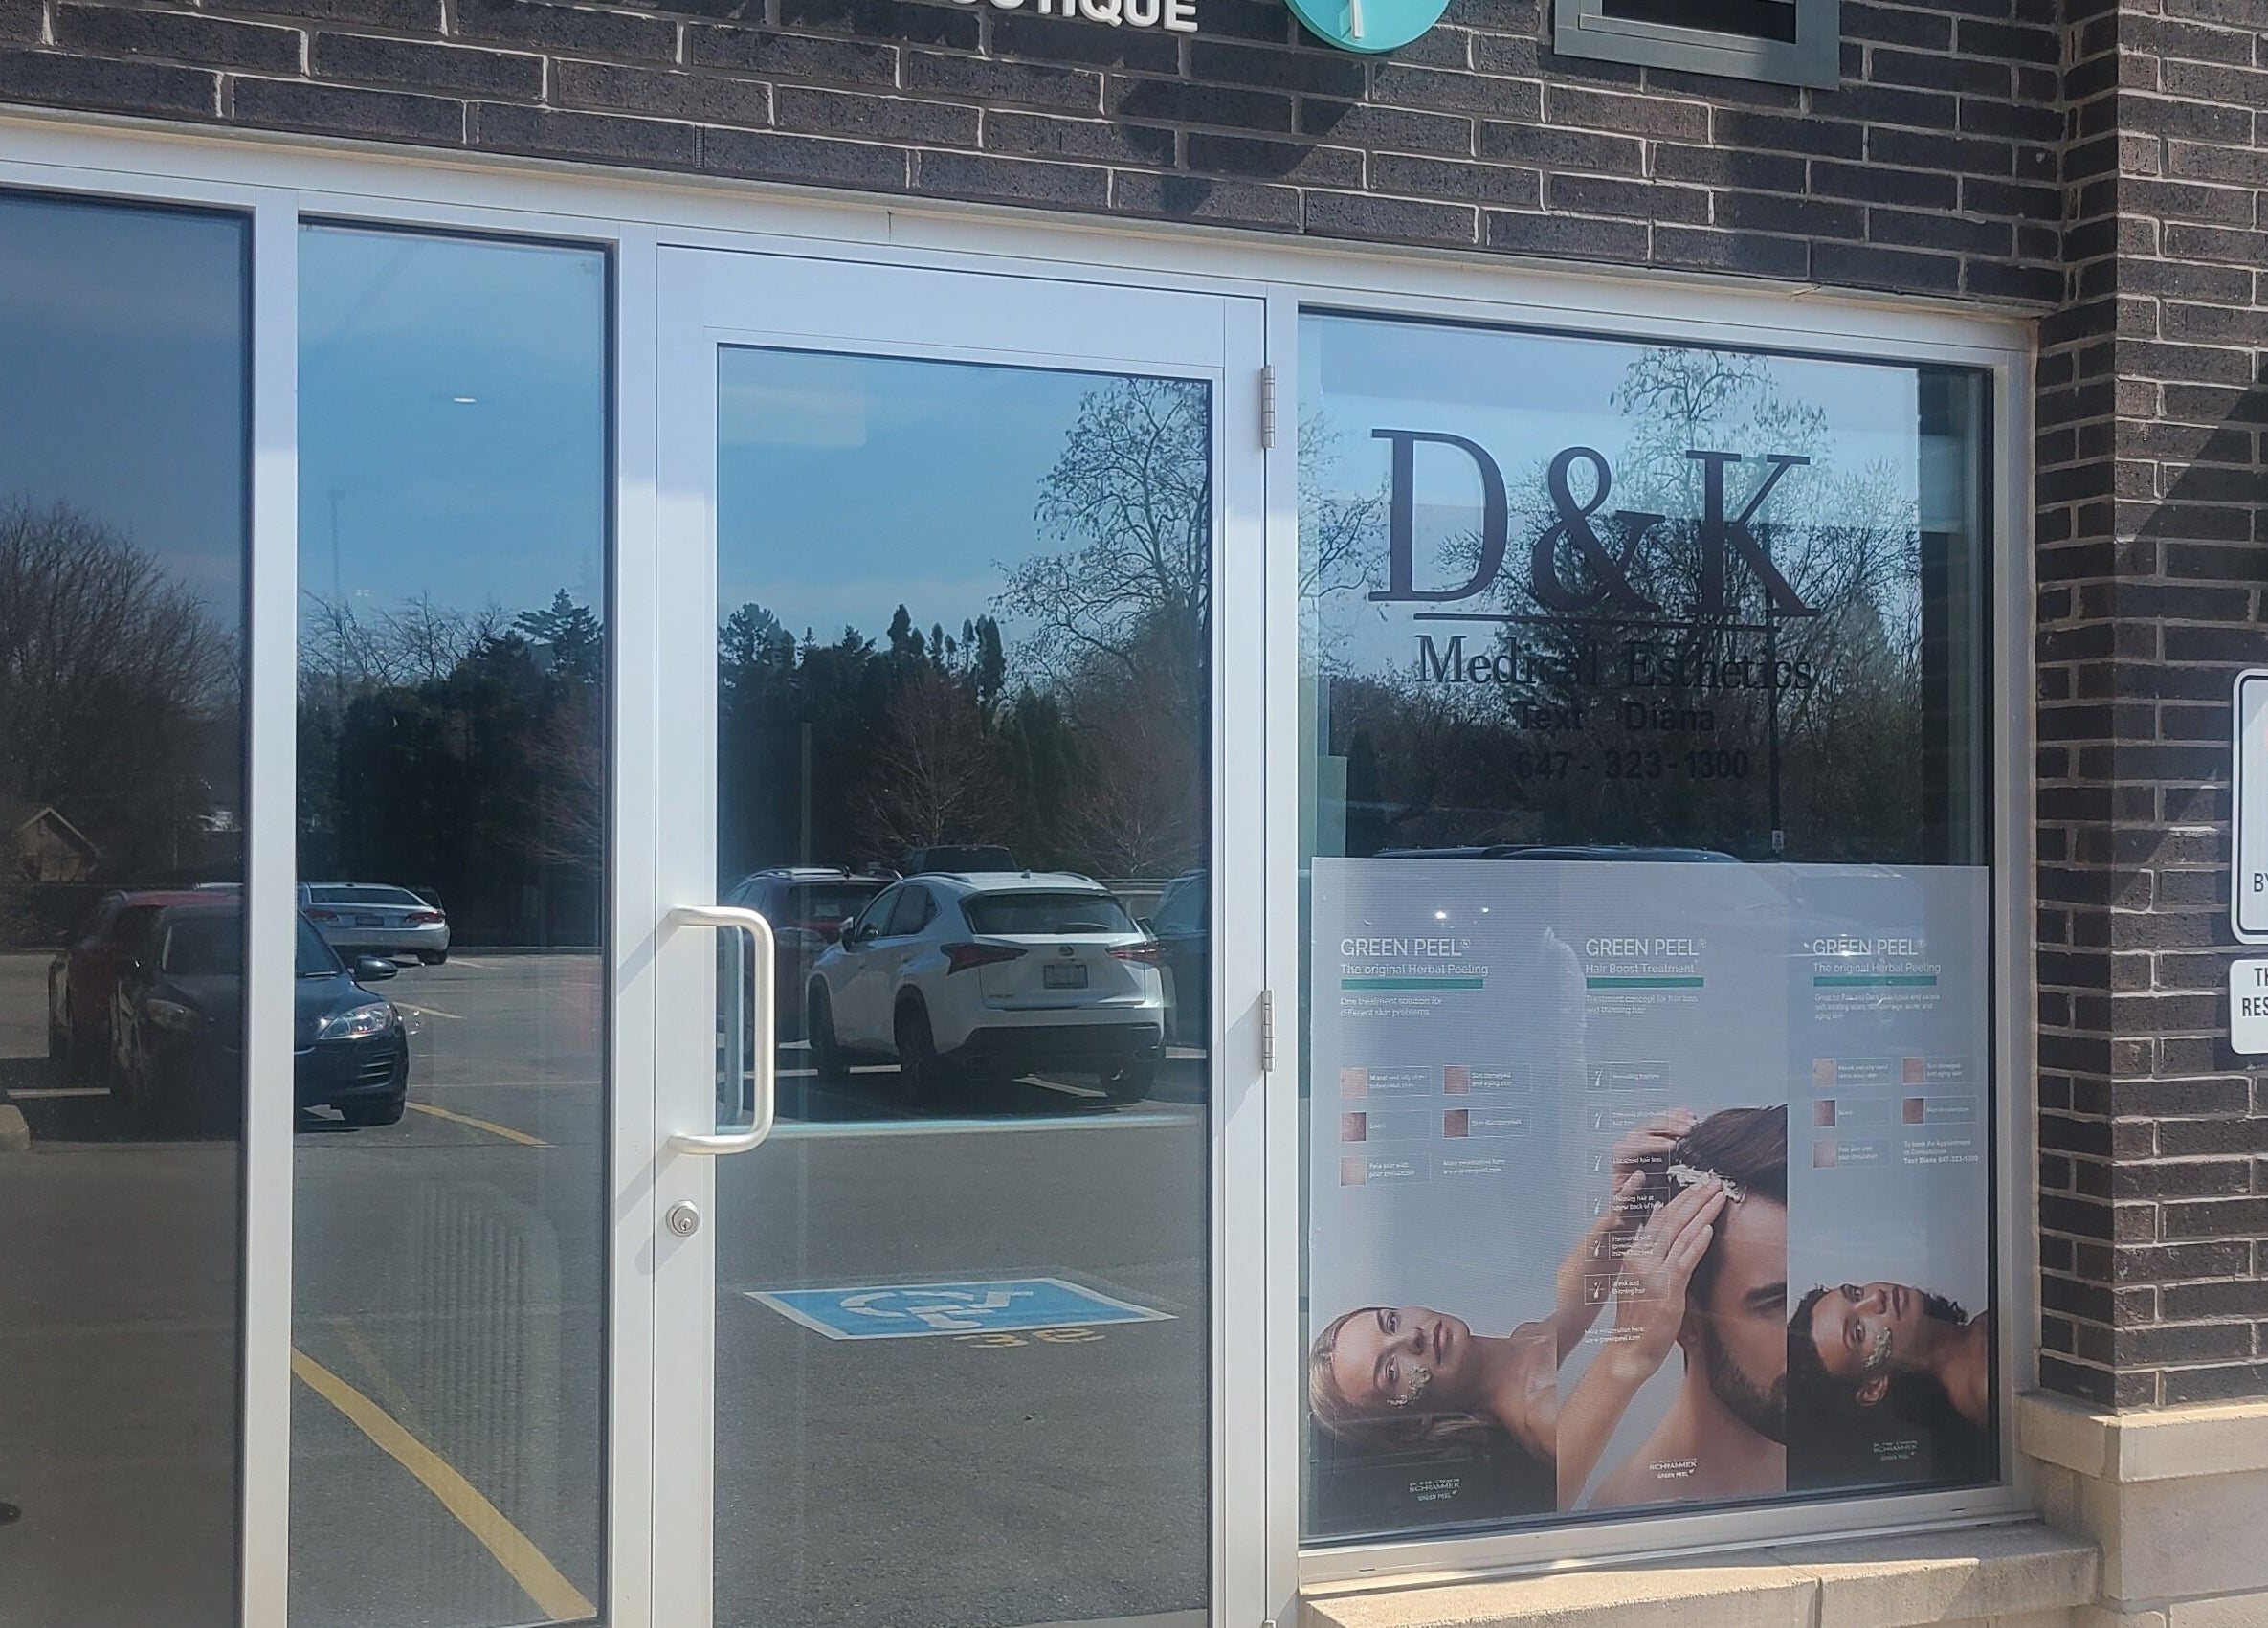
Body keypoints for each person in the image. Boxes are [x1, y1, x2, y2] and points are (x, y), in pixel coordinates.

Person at [1307, 1113, 1705, 1481]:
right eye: (1391, 1372)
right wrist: (1632, 1344)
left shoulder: (1523, 1345)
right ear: (1415, 1424)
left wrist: (1625, 1211)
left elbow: (1574, 1300)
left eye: (1390, 1322)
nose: (1410, 1339)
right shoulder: (1540, 1416)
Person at [1583, 1104, 1789, 1510]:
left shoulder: (1845, 1462)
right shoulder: (1636, 1519)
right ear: (1687, 1318)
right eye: (1776, 1303)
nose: (1812, 1332)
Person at [1786, 1281, 1994, 1487]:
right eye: (1858, 1331)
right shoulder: (1990, 1387)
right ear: (1874, 1387)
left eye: (1855, 1294)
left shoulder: (1982, 1332)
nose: (1876, 1298)